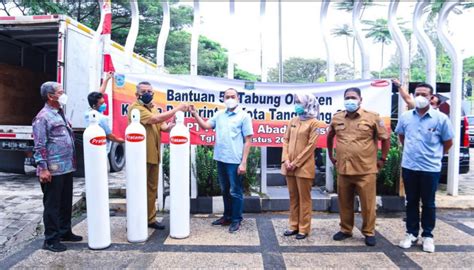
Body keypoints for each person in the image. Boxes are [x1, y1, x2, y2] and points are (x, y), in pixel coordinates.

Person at [327, 87, 390, 246]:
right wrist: (331, 156)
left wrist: (383, 158)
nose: (350, 100)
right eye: (347, 97)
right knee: (344, 202)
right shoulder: (337, 118)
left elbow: (385, 138)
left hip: (365, 169)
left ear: (360, 100)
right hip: (344, 169)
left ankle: (369, 232)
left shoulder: (372, 117)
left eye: (353, 97)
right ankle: (345, 229)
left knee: (368, 204)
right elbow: (329, 137)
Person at [395, 83, 453, 253]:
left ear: (431, 97)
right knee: (411, 201)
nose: (420, 97)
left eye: (424, 94)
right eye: (417, 93)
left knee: (428, 203)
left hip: (430, 168)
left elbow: (448, 141)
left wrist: (436, 155)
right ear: (413, 95)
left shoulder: (441, 118)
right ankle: (411, 233)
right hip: (410, 166)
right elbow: (401, 136)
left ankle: (427, 235)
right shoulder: (406, 117)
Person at [190, 88, 253, 233]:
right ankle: (227, 216)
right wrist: (195, 114)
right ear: (223, 99)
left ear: (238, 98)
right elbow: (205, 126)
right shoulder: (219, 115)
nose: (230, 98)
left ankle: (236, 219)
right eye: (227, 96)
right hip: (220, 158)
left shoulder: (244, 116)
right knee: (225, 190)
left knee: (235, 191)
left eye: (233, 96)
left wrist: (243, 162)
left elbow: (248, 140)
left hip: (235, 160)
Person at [127, 81, 187, 230]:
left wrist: (174, 121)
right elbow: (154, 120)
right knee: (137, 188)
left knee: (152, 189)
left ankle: (150, 219)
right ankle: (135, 220)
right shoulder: (135, 108)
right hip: (140, 155)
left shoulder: (153, 108)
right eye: (144, 91)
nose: (148, 94)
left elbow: (164, 127)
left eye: (150, 91)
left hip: (154, 154)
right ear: (137, 94)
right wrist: (177, 108)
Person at [32, 82, 83, 252]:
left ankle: (64, 231)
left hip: (66, 167)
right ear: (50, 96)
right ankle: (51, 240)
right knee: (52, 205)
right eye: (60, 92)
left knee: (65, 202)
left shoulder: (59, 113)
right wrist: (43, 168)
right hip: (52, 169)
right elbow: (39, 145)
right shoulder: (43, 117)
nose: (63, 94)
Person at [281, 93, 322, 240]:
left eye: (299, 102)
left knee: (304, 198)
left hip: (303, 167)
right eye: (296, 101)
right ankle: (293, 226)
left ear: (308, 103)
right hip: (289, 166)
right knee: (293, 197)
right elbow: (285, 140)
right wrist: (286, 160)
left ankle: (304, 228)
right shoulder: (293, 120)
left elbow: (311, 146)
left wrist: (296, 162)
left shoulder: (315, 123)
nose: (297, 104)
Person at [85, 73, 124, 153]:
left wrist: (107, 79)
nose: (104, 104)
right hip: (101, 151)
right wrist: (122, 141)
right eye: (101, 103)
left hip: (91, 149)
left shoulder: (88, 112)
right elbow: (110, 136)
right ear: (95, 105)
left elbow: (100, 92)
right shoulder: (101, 118)